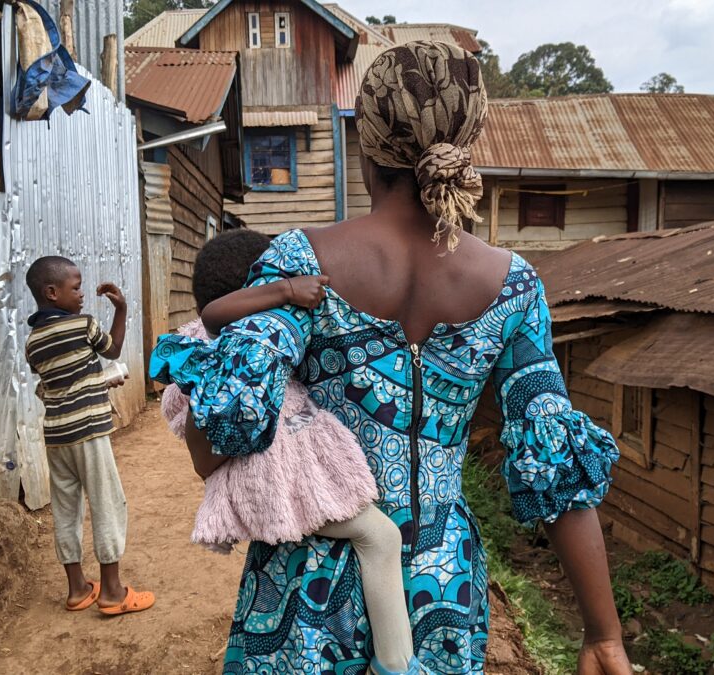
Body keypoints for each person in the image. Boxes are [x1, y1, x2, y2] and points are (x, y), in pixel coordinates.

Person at [151, 41, 631, 674]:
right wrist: (604, 635)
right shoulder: (514, 286)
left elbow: (226, 430)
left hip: (310, 580)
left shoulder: (299, 263)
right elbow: (557, 469)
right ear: (468, 143)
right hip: (442, 582)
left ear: (365, 145)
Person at [157, 229, 421, 674]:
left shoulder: (232, 344)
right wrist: (285, 289)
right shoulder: (226, 350)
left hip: (287, 473)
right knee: (381, 537)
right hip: (280, 478)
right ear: (258, 289)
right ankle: (396, 665)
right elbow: (214, 321)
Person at [25, 256, 154, 616]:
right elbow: (111, 349)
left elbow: (54, 379)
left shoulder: (32, 342)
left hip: (57, 436)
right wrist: (123, 309)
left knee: (66, 510)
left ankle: (78, 589)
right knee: (106, 503)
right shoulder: (83, 325)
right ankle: (113, 591)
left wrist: (92, 380)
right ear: (52, 293)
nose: (82, 294)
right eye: (76, 287)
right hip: (89, 432)